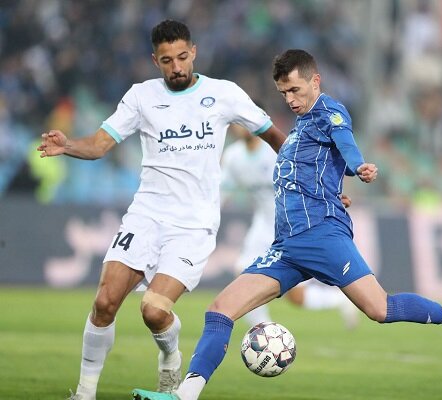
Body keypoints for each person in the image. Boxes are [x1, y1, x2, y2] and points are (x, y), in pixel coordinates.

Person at [131, 49, 442, 400]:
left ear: (315, 81)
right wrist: (333, 188)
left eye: (295, 89)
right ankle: (184, 395)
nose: (290, 99)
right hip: (287, 246)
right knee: (219, 309)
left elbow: (345, 143)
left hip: (323, 236)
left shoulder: (329, 110)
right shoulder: (298, 131)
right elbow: (315, 171)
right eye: (284, 93)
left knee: (380, 309)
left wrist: (358, 166)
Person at [37, 20, 286, 400]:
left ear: (194, 52)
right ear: (156, 61)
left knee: (154, 311)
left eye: (183, 57)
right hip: (146, 214)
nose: (177, 67)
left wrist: (313, 179)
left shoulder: (224, 94)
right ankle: (84, 393)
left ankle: (171, 356)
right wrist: (68, 145)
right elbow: (100, 144)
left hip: (193, 225)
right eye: (167, 60)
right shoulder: (141, 96)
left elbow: (274, 136)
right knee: (104, 303)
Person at [221, 124, 358, 330]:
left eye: (243, 122)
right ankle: (263, 332)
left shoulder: (275, 149)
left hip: (293, 224)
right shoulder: (233, 156)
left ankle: (339, 300)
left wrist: (330, 196)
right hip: (263, 224)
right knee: (243, 274)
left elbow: (308, 173)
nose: (239, 127)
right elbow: (222, 191)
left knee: (296, 297)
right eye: (236, 123)